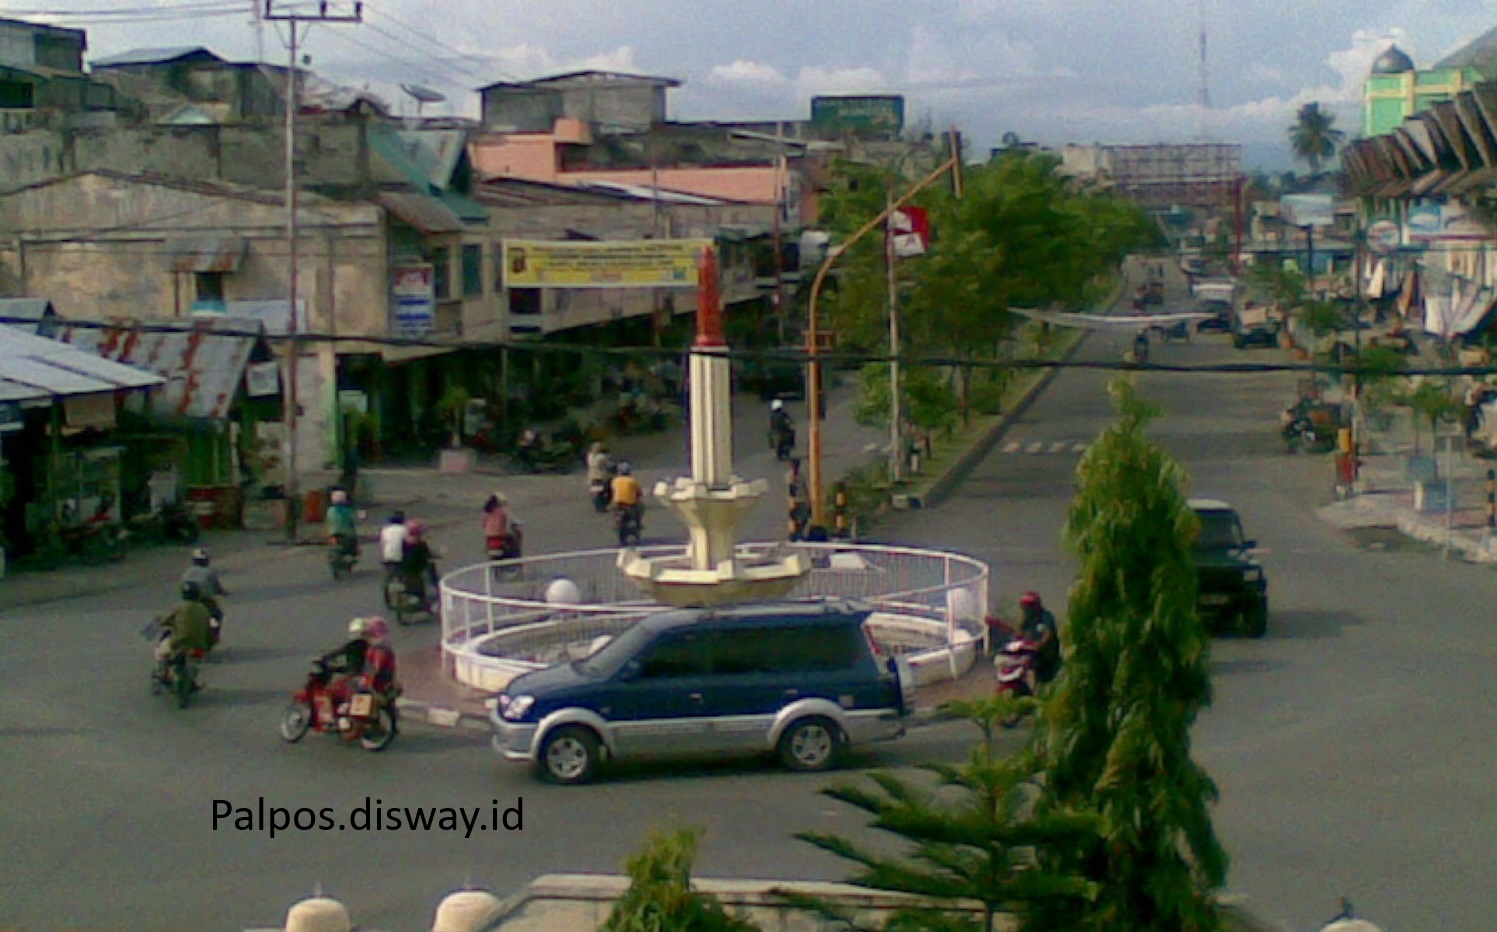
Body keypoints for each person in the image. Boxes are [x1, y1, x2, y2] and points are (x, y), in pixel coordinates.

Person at [157, 581, 215, 689]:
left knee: (160, 651)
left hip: (179, 643)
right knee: (196, 662)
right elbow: (209, 630)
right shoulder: (204, 609)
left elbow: (166, 621)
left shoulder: (180, 608)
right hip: (199, 645)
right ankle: (192, 681)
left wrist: (161, 622)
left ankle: (163, 672)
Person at [180, 548, 228, 639]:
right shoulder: (210, 572)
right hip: (205, 600)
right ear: (206, 561)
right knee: (217, 615)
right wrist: (222, 593)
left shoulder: (187, 572)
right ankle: (214, 636)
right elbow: (217, 588)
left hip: (188, 601)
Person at [1017, 591, 1062, 685]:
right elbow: (1020, 632)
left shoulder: (1046, 617)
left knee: (1046, 681)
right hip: (1034, 654)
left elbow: (1047, 633)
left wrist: (1040, 644)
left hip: (1047, 657)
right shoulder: (1028, 618)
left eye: (1027, 607)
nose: (1025, 610)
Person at [398, 518, 439, 603]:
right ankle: (436, 587)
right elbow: (426, 555)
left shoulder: (404, 542)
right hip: (418, 566)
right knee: (430, 568)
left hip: (406, 566)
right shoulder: (420, 544)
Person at [325, 489, 359, 560]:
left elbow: (328, 522)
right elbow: (353, 520)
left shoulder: (330, 511)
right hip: (346, 535)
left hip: (332, 535)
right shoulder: (348, 511)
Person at [482, 493, 517, 558]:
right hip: (499, 535)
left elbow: (484, 524)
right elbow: (505, 525)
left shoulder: (486, 512)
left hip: (489, 536)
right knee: (513, 538)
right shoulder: (501, 512)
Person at [378, 511, 408, 584]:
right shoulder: (404, 529)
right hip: (400, 557)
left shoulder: (385, 530)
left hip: (387, 557)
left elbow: (382, 544)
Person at [785, 458, 810, 541]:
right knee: (794, 519)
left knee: (805, 518)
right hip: (795, 501)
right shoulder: (790, 476)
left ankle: (800, 532)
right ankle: (794, 534)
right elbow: (791, 489)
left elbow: (805, 488)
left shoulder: (801, 476)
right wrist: (792, 502)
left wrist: (808, 500)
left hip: (802, 500)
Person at [585, 442, 614, 511]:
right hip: (601, 476)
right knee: (606, 490)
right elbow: (607, 465)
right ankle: (602, 505)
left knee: (597, 492)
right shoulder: (601, 457)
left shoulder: (589, 456)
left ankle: (598, 505)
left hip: (592, 476)